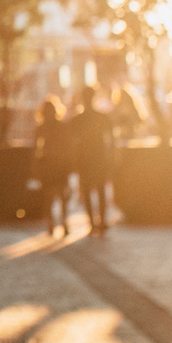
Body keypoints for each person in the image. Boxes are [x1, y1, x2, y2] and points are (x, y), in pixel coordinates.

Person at [68, 84, 116, 234]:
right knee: (100, 190)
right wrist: (112, 156)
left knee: (89, 190)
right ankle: (100, 221)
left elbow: (71, 142)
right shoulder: (101, 117)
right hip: (97, 158)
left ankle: (93, 222)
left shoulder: (78, 120)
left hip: (87, 159)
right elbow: (112, 139)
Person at [32, 96, 71, 235]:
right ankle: (57, 223)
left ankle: (56, 223)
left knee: (56, 195)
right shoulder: (50, 128)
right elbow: (36, 149)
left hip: (53, 164)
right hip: (52, 164)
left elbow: (36, 150)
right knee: (55, 196)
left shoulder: (46, 128)